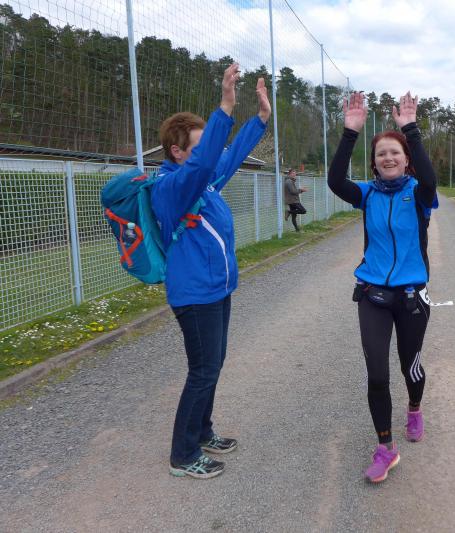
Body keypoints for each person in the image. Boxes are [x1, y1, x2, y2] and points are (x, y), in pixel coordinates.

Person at [151, 62, 271, 479]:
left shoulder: (201, 182)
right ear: (177, 152)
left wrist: (260, 120)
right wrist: (225, 107)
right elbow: (205, 164)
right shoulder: (171, 189)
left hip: (216, 290)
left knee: (212, 365)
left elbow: (229, 157)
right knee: (202, 371)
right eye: (201, 147)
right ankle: (183, 455)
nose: (210, 154)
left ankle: (202, 432)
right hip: (195, 294)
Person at [328, 91, 437, 483]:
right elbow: (334, 180)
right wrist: (350, 132)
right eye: (381, 154)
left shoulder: (419, 193)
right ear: (373, 163)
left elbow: (430, 179)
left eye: (395, 152)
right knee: (376, 373)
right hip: (372, 294)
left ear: (406, 159)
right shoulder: (366, 193)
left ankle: (414, 407)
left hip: (411, 297)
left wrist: (411, 129)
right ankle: (385, 448)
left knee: (410, 365)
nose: (388, 158)